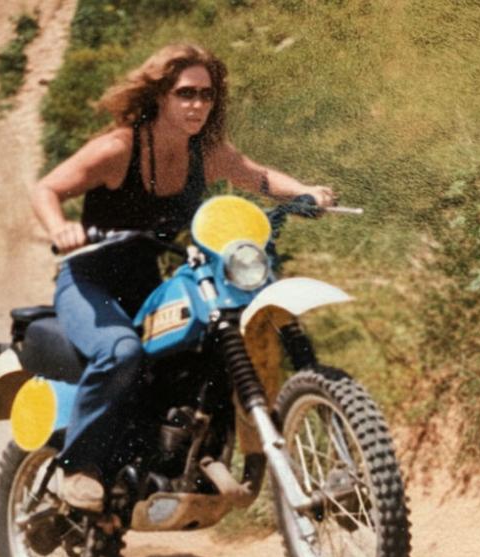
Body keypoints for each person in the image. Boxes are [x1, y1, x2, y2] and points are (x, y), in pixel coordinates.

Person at [31, 43, 335, 512]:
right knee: (121, 352)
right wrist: (59, 228)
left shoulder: (205, 153)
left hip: (147, 282)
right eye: (185, 93)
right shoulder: (119, 149)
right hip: (90, 282)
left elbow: (257, 177)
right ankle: (80, 467)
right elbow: (47, 188)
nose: (197, 105)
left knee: (207, 342)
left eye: (206, 95)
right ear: (160, 96)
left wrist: (306, 192)